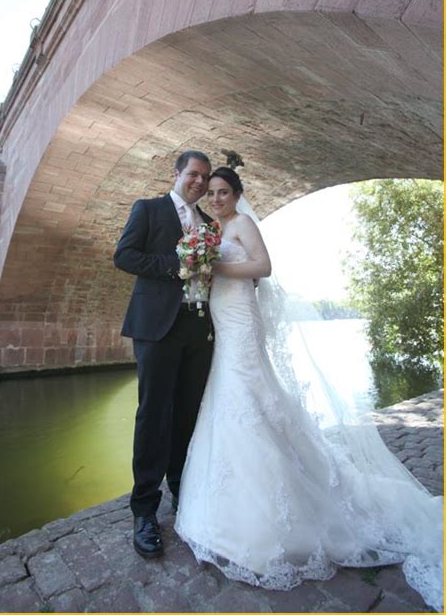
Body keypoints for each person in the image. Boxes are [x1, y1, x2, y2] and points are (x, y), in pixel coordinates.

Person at [175, 167, 443, 612]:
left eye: (225, 192)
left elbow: (263, 266)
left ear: (238, 195)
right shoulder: (210, 230)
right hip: (222, 318)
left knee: (249, 394)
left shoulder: (242, 225)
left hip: (241, 319)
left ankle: (281, 514)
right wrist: (200, 269)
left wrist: (212, 264)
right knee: (228, 395)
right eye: (214, 193)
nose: (217, 198)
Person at [114, 150, 214, 559]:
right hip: (156, 328)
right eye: (193, 173)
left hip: (198, 331)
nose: (200, 182)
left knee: (188, 415)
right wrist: (177, 263)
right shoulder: (149, 209)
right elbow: (124, 255)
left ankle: (183, 495)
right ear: (177, 173)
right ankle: (144, 512)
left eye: (205, 177)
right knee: (153, 416)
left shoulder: (209, 223)